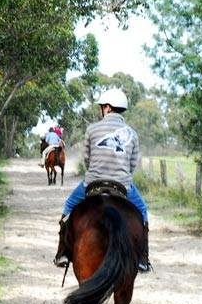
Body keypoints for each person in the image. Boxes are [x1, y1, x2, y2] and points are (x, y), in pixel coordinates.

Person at [53, 88, 151, 273]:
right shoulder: (132, 134)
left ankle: (63, 253)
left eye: (102, 107)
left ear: (106, 108)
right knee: (143, 213)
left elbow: (87, 160)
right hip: (123, 185)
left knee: (68, 207)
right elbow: (132, 165)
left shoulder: (92, 129)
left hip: (93, 182)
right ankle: (143, 259)